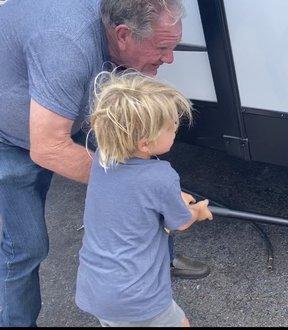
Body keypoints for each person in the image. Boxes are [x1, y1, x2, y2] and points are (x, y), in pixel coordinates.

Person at [0, 0, 208, 326]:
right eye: (163, 47)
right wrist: (139, 188)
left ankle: (154, 265)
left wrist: (144, 190)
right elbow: (48, 147)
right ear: (123, 35)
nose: (169, 59)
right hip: (9, 139)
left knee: (146, 188)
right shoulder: (67, 44)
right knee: (26, 247)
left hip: (63, 110)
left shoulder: (112, 23)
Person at [75, 70, 212, 327]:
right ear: (145, 144)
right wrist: (199, 211)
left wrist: (173, 196)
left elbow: (133, 193)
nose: (176, 130)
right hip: (138, 295)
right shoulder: (161, 175)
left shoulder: (103, 159)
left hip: (96, 288)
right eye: (171, 128)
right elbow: (180, 222)